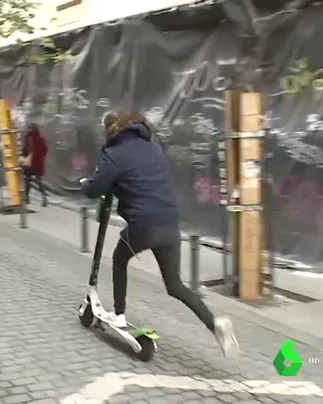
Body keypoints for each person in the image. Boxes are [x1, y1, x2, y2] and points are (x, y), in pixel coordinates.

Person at [80, 111, 239, 358]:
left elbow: (94, 189)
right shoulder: (153, 148)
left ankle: (118, 315)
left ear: (110, 130)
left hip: (144, 225)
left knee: (120, 259)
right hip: (170, 223)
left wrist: (86, 184)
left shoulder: (114, 154)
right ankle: (213, 323)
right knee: (175, 285)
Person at [21, 123, 48, 206]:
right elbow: (45, 150)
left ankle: (26, 198)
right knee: (39, 181)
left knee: (27, 180)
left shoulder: (29, 138)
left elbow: (25, 150)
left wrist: (23, 156)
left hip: (30, 163)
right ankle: (44, 198)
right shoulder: (41, 138)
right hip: (38, 163)